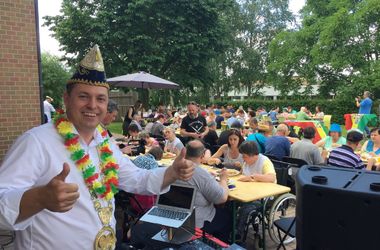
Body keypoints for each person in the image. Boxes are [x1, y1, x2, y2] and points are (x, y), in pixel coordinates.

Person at [0, 45, 194, 249]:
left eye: (100, 98)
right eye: (83, 96)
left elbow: (136, 178)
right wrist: (39, 198)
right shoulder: (36, 142)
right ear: (66, 99)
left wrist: (173, 172)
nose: (93, 105)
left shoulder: (104, 141)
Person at [130, 140, 231, 247]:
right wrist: (223, 179)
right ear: (202, 155)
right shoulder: (202, 175)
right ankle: (218, 245)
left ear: (185, 152)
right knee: (227, 217)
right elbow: (222, 198)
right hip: (194, 224)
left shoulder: (171, 168)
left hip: (166, 216)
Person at [235, 141, 276, 241]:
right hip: (248, 192)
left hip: (264, 196)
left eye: (244, 156)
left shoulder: (264, 161)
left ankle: (238, 235)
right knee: (229, 202)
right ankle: (230, 228)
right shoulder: (247, 162)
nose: (243, 159)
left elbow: (271, 177)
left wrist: (253, 176)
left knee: (246, 208)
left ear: (253, 155)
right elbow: (243, 174)